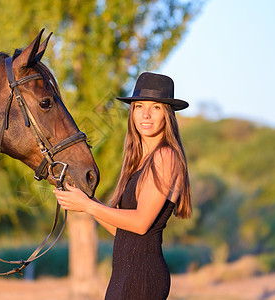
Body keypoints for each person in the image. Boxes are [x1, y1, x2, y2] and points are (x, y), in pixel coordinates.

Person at [54, 72, 192, 300]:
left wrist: (88, 206)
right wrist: (82, 199)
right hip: (124, 276)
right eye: (139, 106)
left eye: (155, 108)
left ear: (167, 114)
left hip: (143, 276)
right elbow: (121, 231)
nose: (145, 115)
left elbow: (140, 224)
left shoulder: (165, 156)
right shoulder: (137, 161)